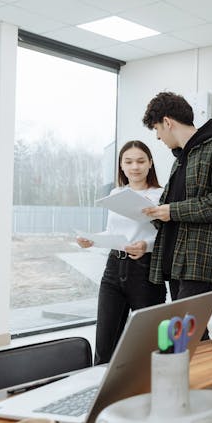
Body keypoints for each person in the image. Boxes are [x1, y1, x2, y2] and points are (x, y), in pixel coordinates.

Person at [141, 92, 212, 340]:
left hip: (201, 260)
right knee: (190, 334)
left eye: (157, 129)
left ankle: (189, 377)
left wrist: (173, 210)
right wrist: (156, 211)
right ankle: (200, 377)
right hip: (177, 258)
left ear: (168, 122)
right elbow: (175, 207)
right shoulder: (181, 159)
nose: (158, 136)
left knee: (180, 335)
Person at [77, 140, 167, 365]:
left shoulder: (161, 195)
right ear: (121, 166)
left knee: (150, 340)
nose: (134, 167)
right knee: (105, 338)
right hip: (114, 268)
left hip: (145, 270)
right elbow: (113, 231)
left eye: (140, 161)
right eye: (128, 162)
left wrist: (147, 245)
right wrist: (93, 239)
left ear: (150, 163)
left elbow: (169, 237)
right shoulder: (117, 193)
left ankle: (151, 388)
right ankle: (99, 390)